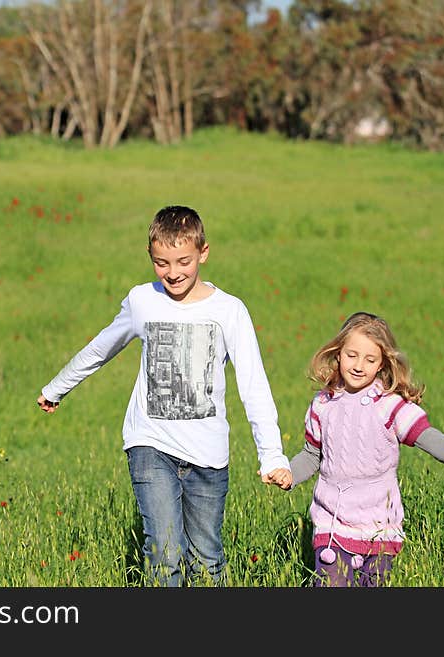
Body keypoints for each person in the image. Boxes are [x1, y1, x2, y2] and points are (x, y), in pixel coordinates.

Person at [37, 205, 292, 586]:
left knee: (207, 559)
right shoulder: (142, 301)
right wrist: (57, 387)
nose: (173, 272)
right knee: (164, 554)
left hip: (208, 454)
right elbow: (101, 347)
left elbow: (253, 384)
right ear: (150, 256)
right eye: (162, 263)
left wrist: (271, 453)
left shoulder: (229, 311)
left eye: (183, 261)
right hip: (150, 444)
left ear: (203, 253)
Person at [263, 311, 444, 587]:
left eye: (370, 359)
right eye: (352, 355)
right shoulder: (322, 405)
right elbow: (313, 455)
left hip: (380, 527)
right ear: (338, 354)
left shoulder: (389, 405)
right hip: (332, 524)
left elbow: (436, 442)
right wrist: (288, 474)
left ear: (382, 364)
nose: (359, 365)